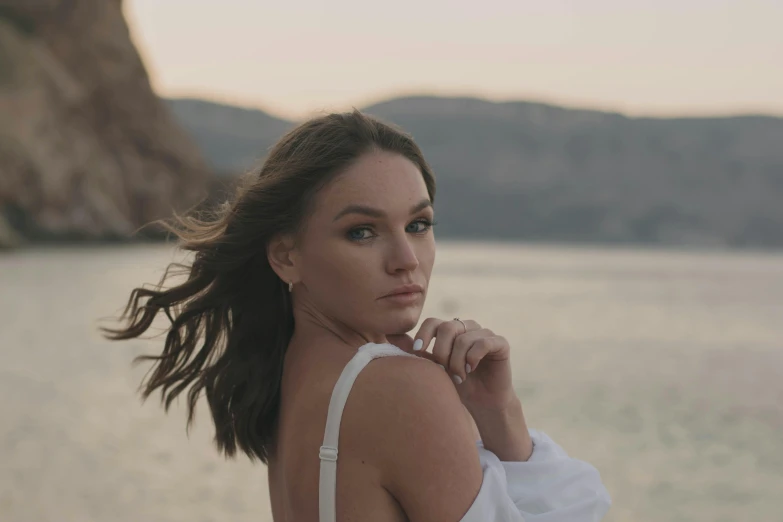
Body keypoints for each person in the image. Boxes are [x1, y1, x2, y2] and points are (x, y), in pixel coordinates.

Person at [103, 110, 611, 521]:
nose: (406, 259)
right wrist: (504, 415)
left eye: (418, 224)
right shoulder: (399, 387)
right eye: (362, 232)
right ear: (286, 256)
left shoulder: (292, 378)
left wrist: (494, 409)